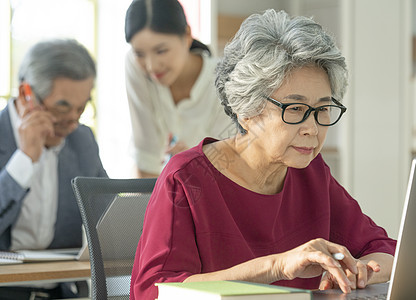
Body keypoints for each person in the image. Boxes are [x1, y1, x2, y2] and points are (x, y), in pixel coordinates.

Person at [130, 9, 396, 300]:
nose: (313, 128)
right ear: (247, 111)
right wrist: (276, 265)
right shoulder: (185, 179)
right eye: (295, 109)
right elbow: (152, 292)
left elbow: (387, 250)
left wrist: (358, 270)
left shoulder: (310, 171)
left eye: (322, 110)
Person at [0, 39, 107, 299]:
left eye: (81, 108)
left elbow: (107, 216)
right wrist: (24, 160)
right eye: (62, 107)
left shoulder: (82, 140)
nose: (73, 120)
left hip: (63, 290)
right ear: (27, 93)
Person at [124, 0, 234, 178]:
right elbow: (147, 154)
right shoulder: (135, 66)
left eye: (161, 51)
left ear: (187, 35)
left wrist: (191, 163)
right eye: (140, 54)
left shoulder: (225, 81)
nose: (151, 66)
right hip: (157, 189)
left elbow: (225, 167)